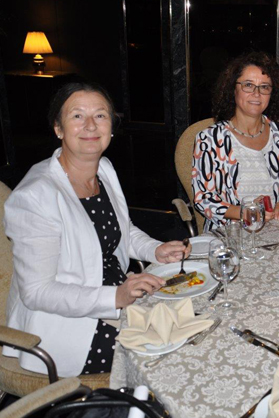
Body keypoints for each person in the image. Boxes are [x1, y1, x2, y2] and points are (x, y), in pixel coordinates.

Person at [3, 82, 190, 377]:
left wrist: (155, 249)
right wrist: (115, 297)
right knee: (168, 360)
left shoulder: (103, 169)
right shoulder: (35, 196)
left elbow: (121, 230)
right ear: (58, 128)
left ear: (111, 127)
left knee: (192, 321)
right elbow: (37, 292)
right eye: (77, 116)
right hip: (69, 328)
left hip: (119, 295)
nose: (90, 125)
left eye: (100, 115)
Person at [192, 51, 279, 232]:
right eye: (248, 85)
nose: (257, 93)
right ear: (233, 89)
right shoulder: (210, 139)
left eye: (264, 87)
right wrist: (246, 212)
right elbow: (204, 199)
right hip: (231, 233)